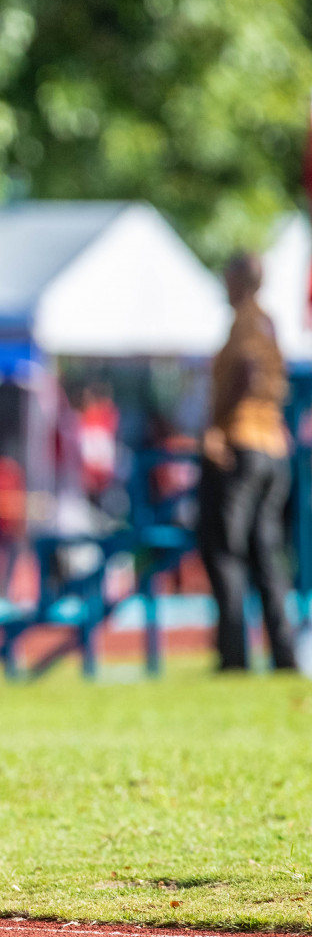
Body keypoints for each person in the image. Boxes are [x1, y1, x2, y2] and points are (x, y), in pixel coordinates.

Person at [197, 253, 295, 671]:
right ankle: (283, 654)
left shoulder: (246, 322)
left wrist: (218, 427)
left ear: (239, 280)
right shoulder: (270, 324)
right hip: (272, 448)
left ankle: (234, 656)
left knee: (224, 551)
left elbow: (250, 371)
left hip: (243, 443)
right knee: (265, 554)